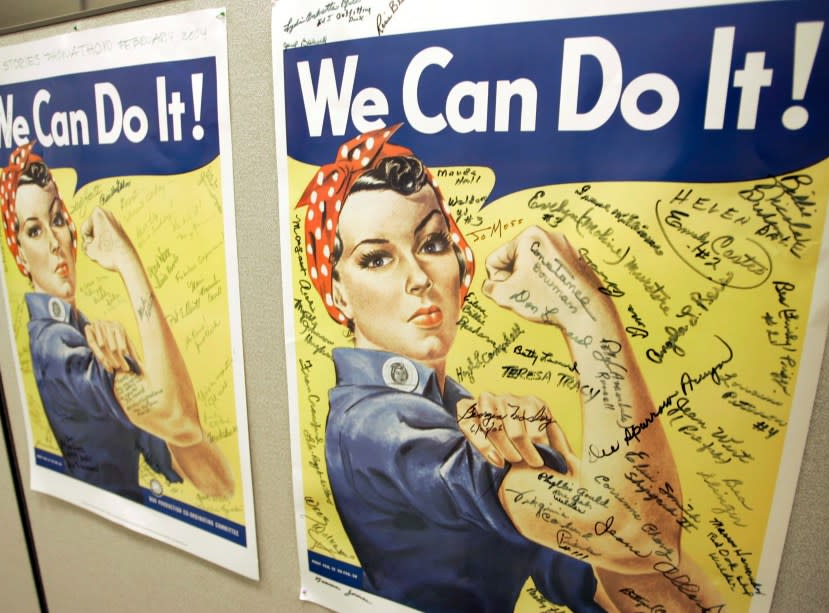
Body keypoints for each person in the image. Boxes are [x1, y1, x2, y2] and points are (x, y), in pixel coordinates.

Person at [297, 125, 723, 612]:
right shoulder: (376, 424)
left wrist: (553, 458)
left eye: (432, 243)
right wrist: (586, 312)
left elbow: (658, 581)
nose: (418, 278)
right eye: (376, 259)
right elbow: (633, 532)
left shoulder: (454, 409)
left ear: (458, 256)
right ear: (336, 292)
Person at [0, 142, 234, 503]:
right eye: (34, 231)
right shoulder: (56, 346)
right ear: (21, 256)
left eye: (57, 220)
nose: (54, 243)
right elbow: (177, 416)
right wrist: (127, 262)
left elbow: (217, 481)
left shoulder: (86, 337)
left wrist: (139, 371)